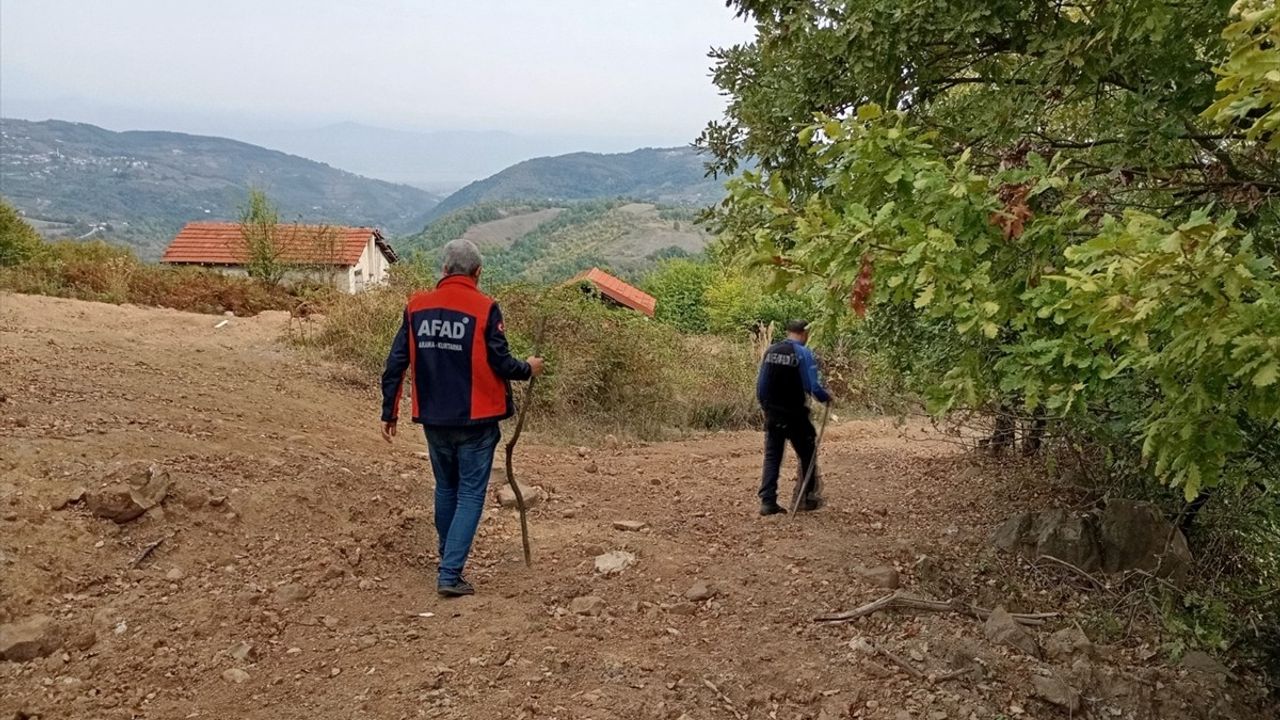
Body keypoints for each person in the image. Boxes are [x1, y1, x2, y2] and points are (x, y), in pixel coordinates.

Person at [380, 238, 544, 597]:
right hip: (477, 421)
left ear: (444, 270)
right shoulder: (485, 308)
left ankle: (446, 557)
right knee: (470, 493)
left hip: (434, 419)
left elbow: (396, 362)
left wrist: (389, 411)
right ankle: (450, 574)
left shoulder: (416, 307)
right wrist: (529, 368)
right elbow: (502, 363)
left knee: (446, 488)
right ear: (478, 272)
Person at [755, 319, 832, 516]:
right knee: (807, 453)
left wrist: (766, 407)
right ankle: (806, 497)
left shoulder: (771, 350)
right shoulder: (803, 353)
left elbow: (761, 385)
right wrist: (826, 397)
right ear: (804, 333)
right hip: (795, 414)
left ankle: (768, 501)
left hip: (773, 412)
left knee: (773, 455)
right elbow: (812, 387)